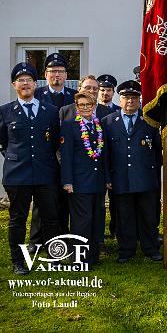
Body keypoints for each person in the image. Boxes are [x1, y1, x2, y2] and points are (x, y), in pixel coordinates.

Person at [0, 62, 61, 275]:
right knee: (18, 219)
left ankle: (54, 257)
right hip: (17, 174)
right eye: (21, 80)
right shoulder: (5, 111)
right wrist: (17, 159)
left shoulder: (50, 111)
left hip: (45, 172)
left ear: (35, 83)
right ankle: (18, 262)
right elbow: (2, 142)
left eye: (29, 80)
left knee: (51, 218)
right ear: (14, 85)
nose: (25, 84)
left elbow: (54, 142)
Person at [102, 80, 162, 263]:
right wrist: (107, 176)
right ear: (120, 99)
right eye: (126, 98)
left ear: (140, 100)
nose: (130, 101)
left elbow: (157, 152)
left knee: (148, 216)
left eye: (135, 98)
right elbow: (105, 154)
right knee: (123, 216)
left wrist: (154, 176)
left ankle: (150, 248)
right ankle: (126, 250)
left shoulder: (150, 122)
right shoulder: (108, 122)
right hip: (120, 178)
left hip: (145, 178)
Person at [29, 53, 76, 249]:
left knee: (64, 198)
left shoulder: (74, 97)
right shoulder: (37, 95)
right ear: (45, 74)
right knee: (41, 199)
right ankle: (36, 240)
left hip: (67, 156)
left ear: (66, 75)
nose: (56, 75)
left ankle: (62, 236)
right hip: (44, 156)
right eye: (52, 71)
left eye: (60, 71)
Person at [60, 91, 106, 268]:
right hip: (79, 183)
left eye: (89, 105)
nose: (85, 108)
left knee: (95, 219)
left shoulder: (98, 125)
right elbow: (66, 156)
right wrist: (67, 181)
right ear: (77, 107)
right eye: (82, 105)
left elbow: (102, 155)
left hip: (97, 181)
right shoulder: (69, 125)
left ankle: (93, 256)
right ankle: (78, 259)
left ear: (94, 106)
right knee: (81, 222)